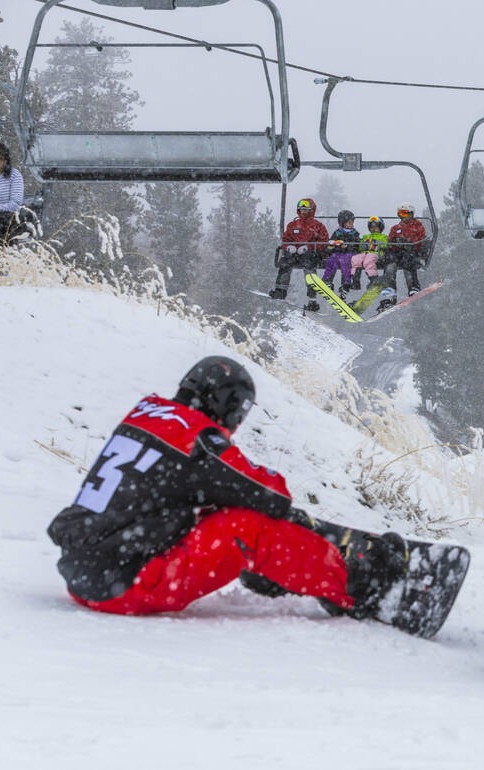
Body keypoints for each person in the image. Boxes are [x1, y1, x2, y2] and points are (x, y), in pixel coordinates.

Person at [46, 356, 410, 619]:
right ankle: (358, 585)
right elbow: (272, 494)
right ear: (232, 408)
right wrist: (285, 514)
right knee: (248, 526)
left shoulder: (146, 414)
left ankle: (282, 571)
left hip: (86, 574)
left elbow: (176, 486)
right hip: (129, 586)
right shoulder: (197, 438)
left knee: (211, 501)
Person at [272, 198, 329, 311]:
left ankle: (312, 298)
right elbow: (286, 238)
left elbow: (323, 241)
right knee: (285, 263)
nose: (303, 212)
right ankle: (281, 290)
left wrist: (310, 247)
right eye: (301, 210)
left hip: (310, 254)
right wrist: (288, 247)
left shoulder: (317, 226)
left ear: (311, 210)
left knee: (309, 266)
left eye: (306, 210)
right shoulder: (293, 225)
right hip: (295, 254)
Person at [379, 202, 428, 308]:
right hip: (397, 252)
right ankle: (390, 293)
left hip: (411, 252)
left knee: (408, 260)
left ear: (411, 214)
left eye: (405, 213)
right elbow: (390, 242)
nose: (402, 216)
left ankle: (413, 287)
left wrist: (407, 242)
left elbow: (420, 240)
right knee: (390, 263)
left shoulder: (417, 226)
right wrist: (394, 242)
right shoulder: (395, 228)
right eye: (400, 213)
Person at [322, 210, 360, 300]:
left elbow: (357, 246)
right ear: (342, 223)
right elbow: (330, 244)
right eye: (348, 222)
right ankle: (328, 280)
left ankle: (345, 285)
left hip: (349, 254)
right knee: (332, 260)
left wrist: (347, 247)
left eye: (352, 222)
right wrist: (332, 246)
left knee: (346, 262)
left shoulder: (354, 233)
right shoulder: (337, 233)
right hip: (338, 252)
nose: (351, 224)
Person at [352, 216, 386, 291]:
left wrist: (376, 243)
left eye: (376, 227)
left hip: (376, 254)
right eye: (372, 227)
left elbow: (385, 245)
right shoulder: (366, 236)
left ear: (380, 228)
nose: (373, 229)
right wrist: (363, 244)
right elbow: (360, 247)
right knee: (355, 259)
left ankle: (374, 279)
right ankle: (355, 278)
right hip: (365, 253)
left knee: (368, 260)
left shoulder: (383, 237)